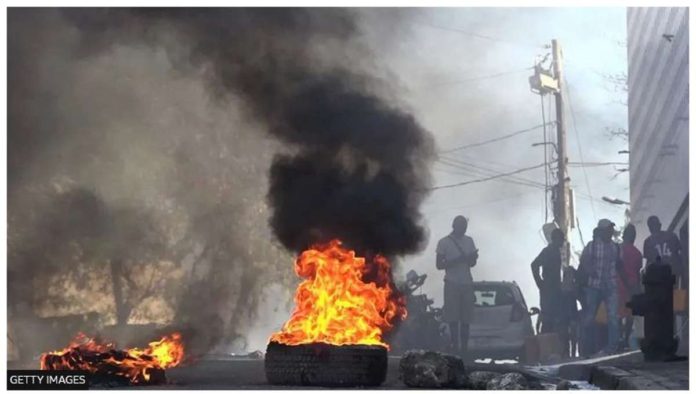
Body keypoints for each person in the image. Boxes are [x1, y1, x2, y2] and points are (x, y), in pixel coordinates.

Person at [578, 219, 625, 356]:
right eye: (608, 229)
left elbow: (619, 266)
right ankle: (587, 348)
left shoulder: (615, 247)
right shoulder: (591, 246)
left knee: (613, 317)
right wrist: (589, 270)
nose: (610, 232)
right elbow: (584, 261)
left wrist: (627, 283)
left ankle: (612, 348)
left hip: (610, 286)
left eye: (611, 229)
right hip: (594, 286)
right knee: (590, 317)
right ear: (601, 231)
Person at [436, 215, 478, 358]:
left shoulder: (469, 241)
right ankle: (455, 348)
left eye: (465, 226)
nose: (464, 229)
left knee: (466, 319)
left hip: (467, 282)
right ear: (454, 226)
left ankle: (464, 350)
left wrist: (473, 258)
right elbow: (439, 265)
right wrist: (457, 260)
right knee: (453, 319)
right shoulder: (444, 243)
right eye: (461, 226)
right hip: (451, 283)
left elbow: (472, 264)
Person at [531, 228, 564, 334]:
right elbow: (534, 264)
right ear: (555, 239)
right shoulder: (548, 251)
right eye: (561, 239)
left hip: (555, 289)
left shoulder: (556, 252)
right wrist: (540, 283)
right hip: (548, 290)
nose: (563, 241)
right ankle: (546, 343)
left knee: (555, 319)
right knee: (548, 319)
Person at [618, 224, 642, 350]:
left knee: (617, 314)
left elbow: (617, 266)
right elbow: (638, 273)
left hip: (619, 285)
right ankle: (625, 338)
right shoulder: (638, 253)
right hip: (632, 286)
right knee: (629, 315)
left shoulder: (619, 250)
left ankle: (619, 339)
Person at [643, 215, 683, 284]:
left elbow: (649, 263)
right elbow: (681, 254)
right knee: (678, 293)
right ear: (660, 225)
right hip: (674, 275)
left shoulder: (648, 242)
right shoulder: (672, 236)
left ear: (649, 228)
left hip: (659, 279)